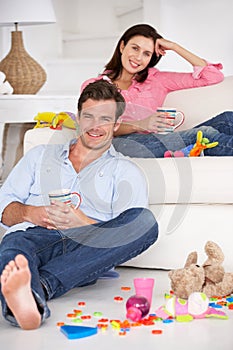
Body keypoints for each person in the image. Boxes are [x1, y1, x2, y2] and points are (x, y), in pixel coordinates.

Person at [0, 79, 158, 330]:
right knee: (15, 244)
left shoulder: (125, 170)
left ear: (117, 124)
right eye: (89, 117)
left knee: (145, 221)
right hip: (34, 238)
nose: (95, 126)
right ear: (77, 118)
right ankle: (29, 300)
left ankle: (34, 291)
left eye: (105, 119)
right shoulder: (39, 156)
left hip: (85, 249)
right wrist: (31, 213)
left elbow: (130, 232)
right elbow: (4, 211)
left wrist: (83, 223)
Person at [81, 23, 233, 158]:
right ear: (122, 47)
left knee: (228, 118)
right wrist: (141, 124)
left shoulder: (157, 79)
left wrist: (175, 47)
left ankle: (190, 149)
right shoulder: (96, 85)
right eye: (135, 48)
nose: (138, 58)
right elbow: (96, 126)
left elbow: (212, 76)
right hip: (121, 145)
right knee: (204, 134)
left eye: (146, 53)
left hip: (155, 140)